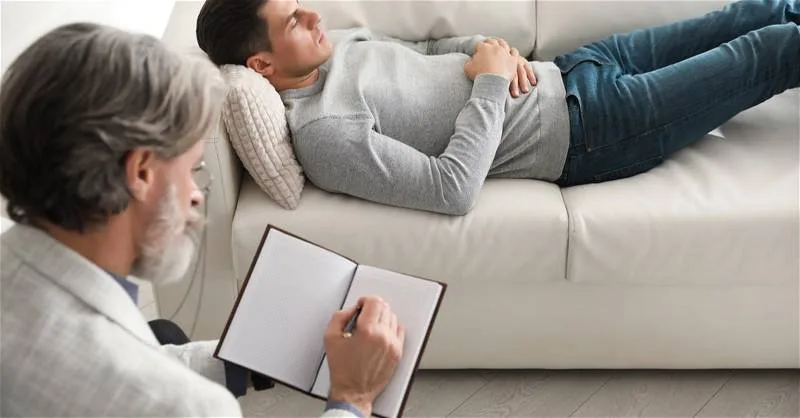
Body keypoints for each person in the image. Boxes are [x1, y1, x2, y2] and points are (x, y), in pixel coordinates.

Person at [0, 22, 404, 418]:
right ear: (141, 172)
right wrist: (352, 397)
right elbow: (145, 388)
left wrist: (258, 355)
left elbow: (127, 368)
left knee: (163, 334)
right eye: (191, 169)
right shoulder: (190, 407)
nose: (195, 195)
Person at [196, 0, 799, 216]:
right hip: (592, 129)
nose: (313, 15)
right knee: (773, 50)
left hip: (575, 66)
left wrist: (490, 50)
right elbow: (450, 190)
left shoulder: (337, 48)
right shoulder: (325, 132)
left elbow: (427, 51)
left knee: (761, 12)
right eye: (292, 21)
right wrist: (490, 82)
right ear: (261, 67)